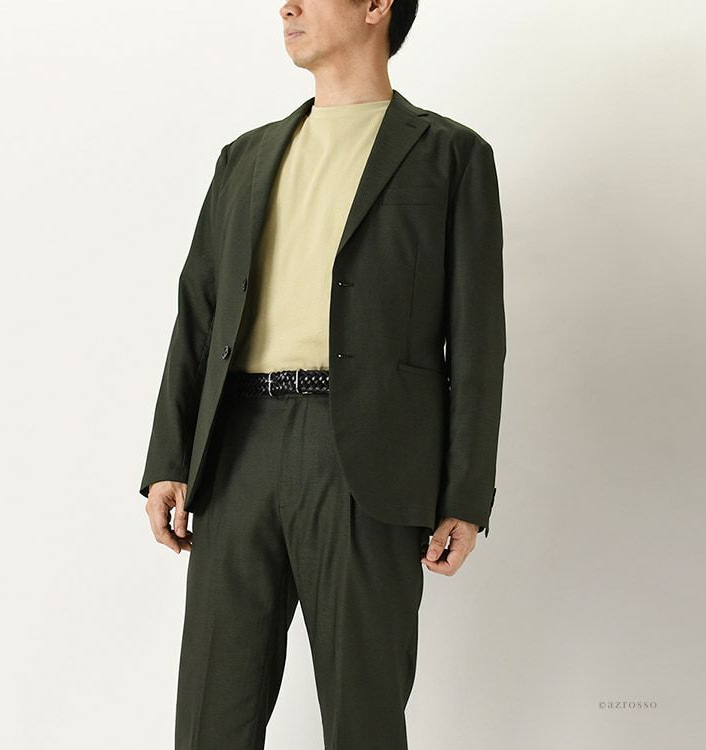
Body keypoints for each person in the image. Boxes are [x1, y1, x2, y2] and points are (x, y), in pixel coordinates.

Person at [138, 1, 506, 747]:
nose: (288, 5)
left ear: (376, 7)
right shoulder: (244, 157)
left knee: (363, 716)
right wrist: (169, 459)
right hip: (237, 448)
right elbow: (198, 316)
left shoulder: (449, 155)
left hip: (368, 458)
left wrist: (466, 494)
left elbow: (476, 340)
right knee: (212, 714)